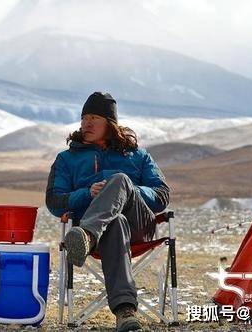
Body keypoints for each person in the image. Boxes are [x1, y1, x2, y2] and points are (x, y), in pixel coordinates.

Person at [46, 92, 169, 332]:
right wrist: (87, 193)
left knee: (120, 180)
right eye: (84, 118)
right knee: (116, 222)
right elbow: (54, 201)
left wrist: (126, 189)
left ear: (110, 124)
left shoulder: (138, 156)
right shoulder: (67, 159)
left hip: (139, 227)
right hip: (109, 234)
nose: (87, 123)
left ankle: (87, 235)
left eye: (95, 117)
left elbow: (162, 196)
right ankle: (125, 310)